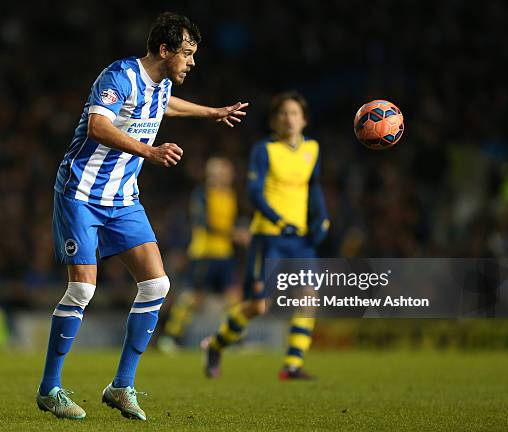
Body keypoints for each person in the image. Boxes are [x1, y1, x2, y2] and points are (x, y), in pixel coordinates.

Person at [36, 12, 248, 421]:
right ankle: (50, 389)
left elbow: (165, 105)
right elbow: (98, 126)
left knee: (157, 284)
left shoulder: (162, 84)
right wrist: (149, 151)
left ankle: (121, 386)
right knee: (82, 291)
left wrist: (213, 112)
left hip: (123, 199)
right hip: (81, 192)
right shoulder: (118, 76)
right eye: (186, 53)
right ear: (164, 50)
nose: (192, 62)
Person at [202, 91, 329, 380]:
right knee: (258, 305)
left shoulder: (313, 149)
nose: (289, 118)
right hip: (269, 236)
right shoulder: (264, 149)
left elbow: (315, 186)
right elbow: (254, 193)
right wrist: (278, 220)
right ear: (274, 120)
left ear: (304, 119)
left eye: (294, 113)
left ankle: (292, 365)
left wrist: (322, 218)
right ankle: (216, 345)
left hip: (300, 239)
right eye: (283, 113)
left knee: (308, 297)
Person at [158, 157, 241, 353]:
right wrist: (234, 233)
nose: (220, 175)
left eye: (223, 171)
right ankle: (171, 337)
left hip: (225, 254)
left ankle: (234, 340)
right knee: (193, 298)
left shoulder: (230, 195)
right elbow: (204, 223)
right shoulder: (202, 194)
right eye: (216, 171)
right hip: (204, 253)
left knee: (233, 297)